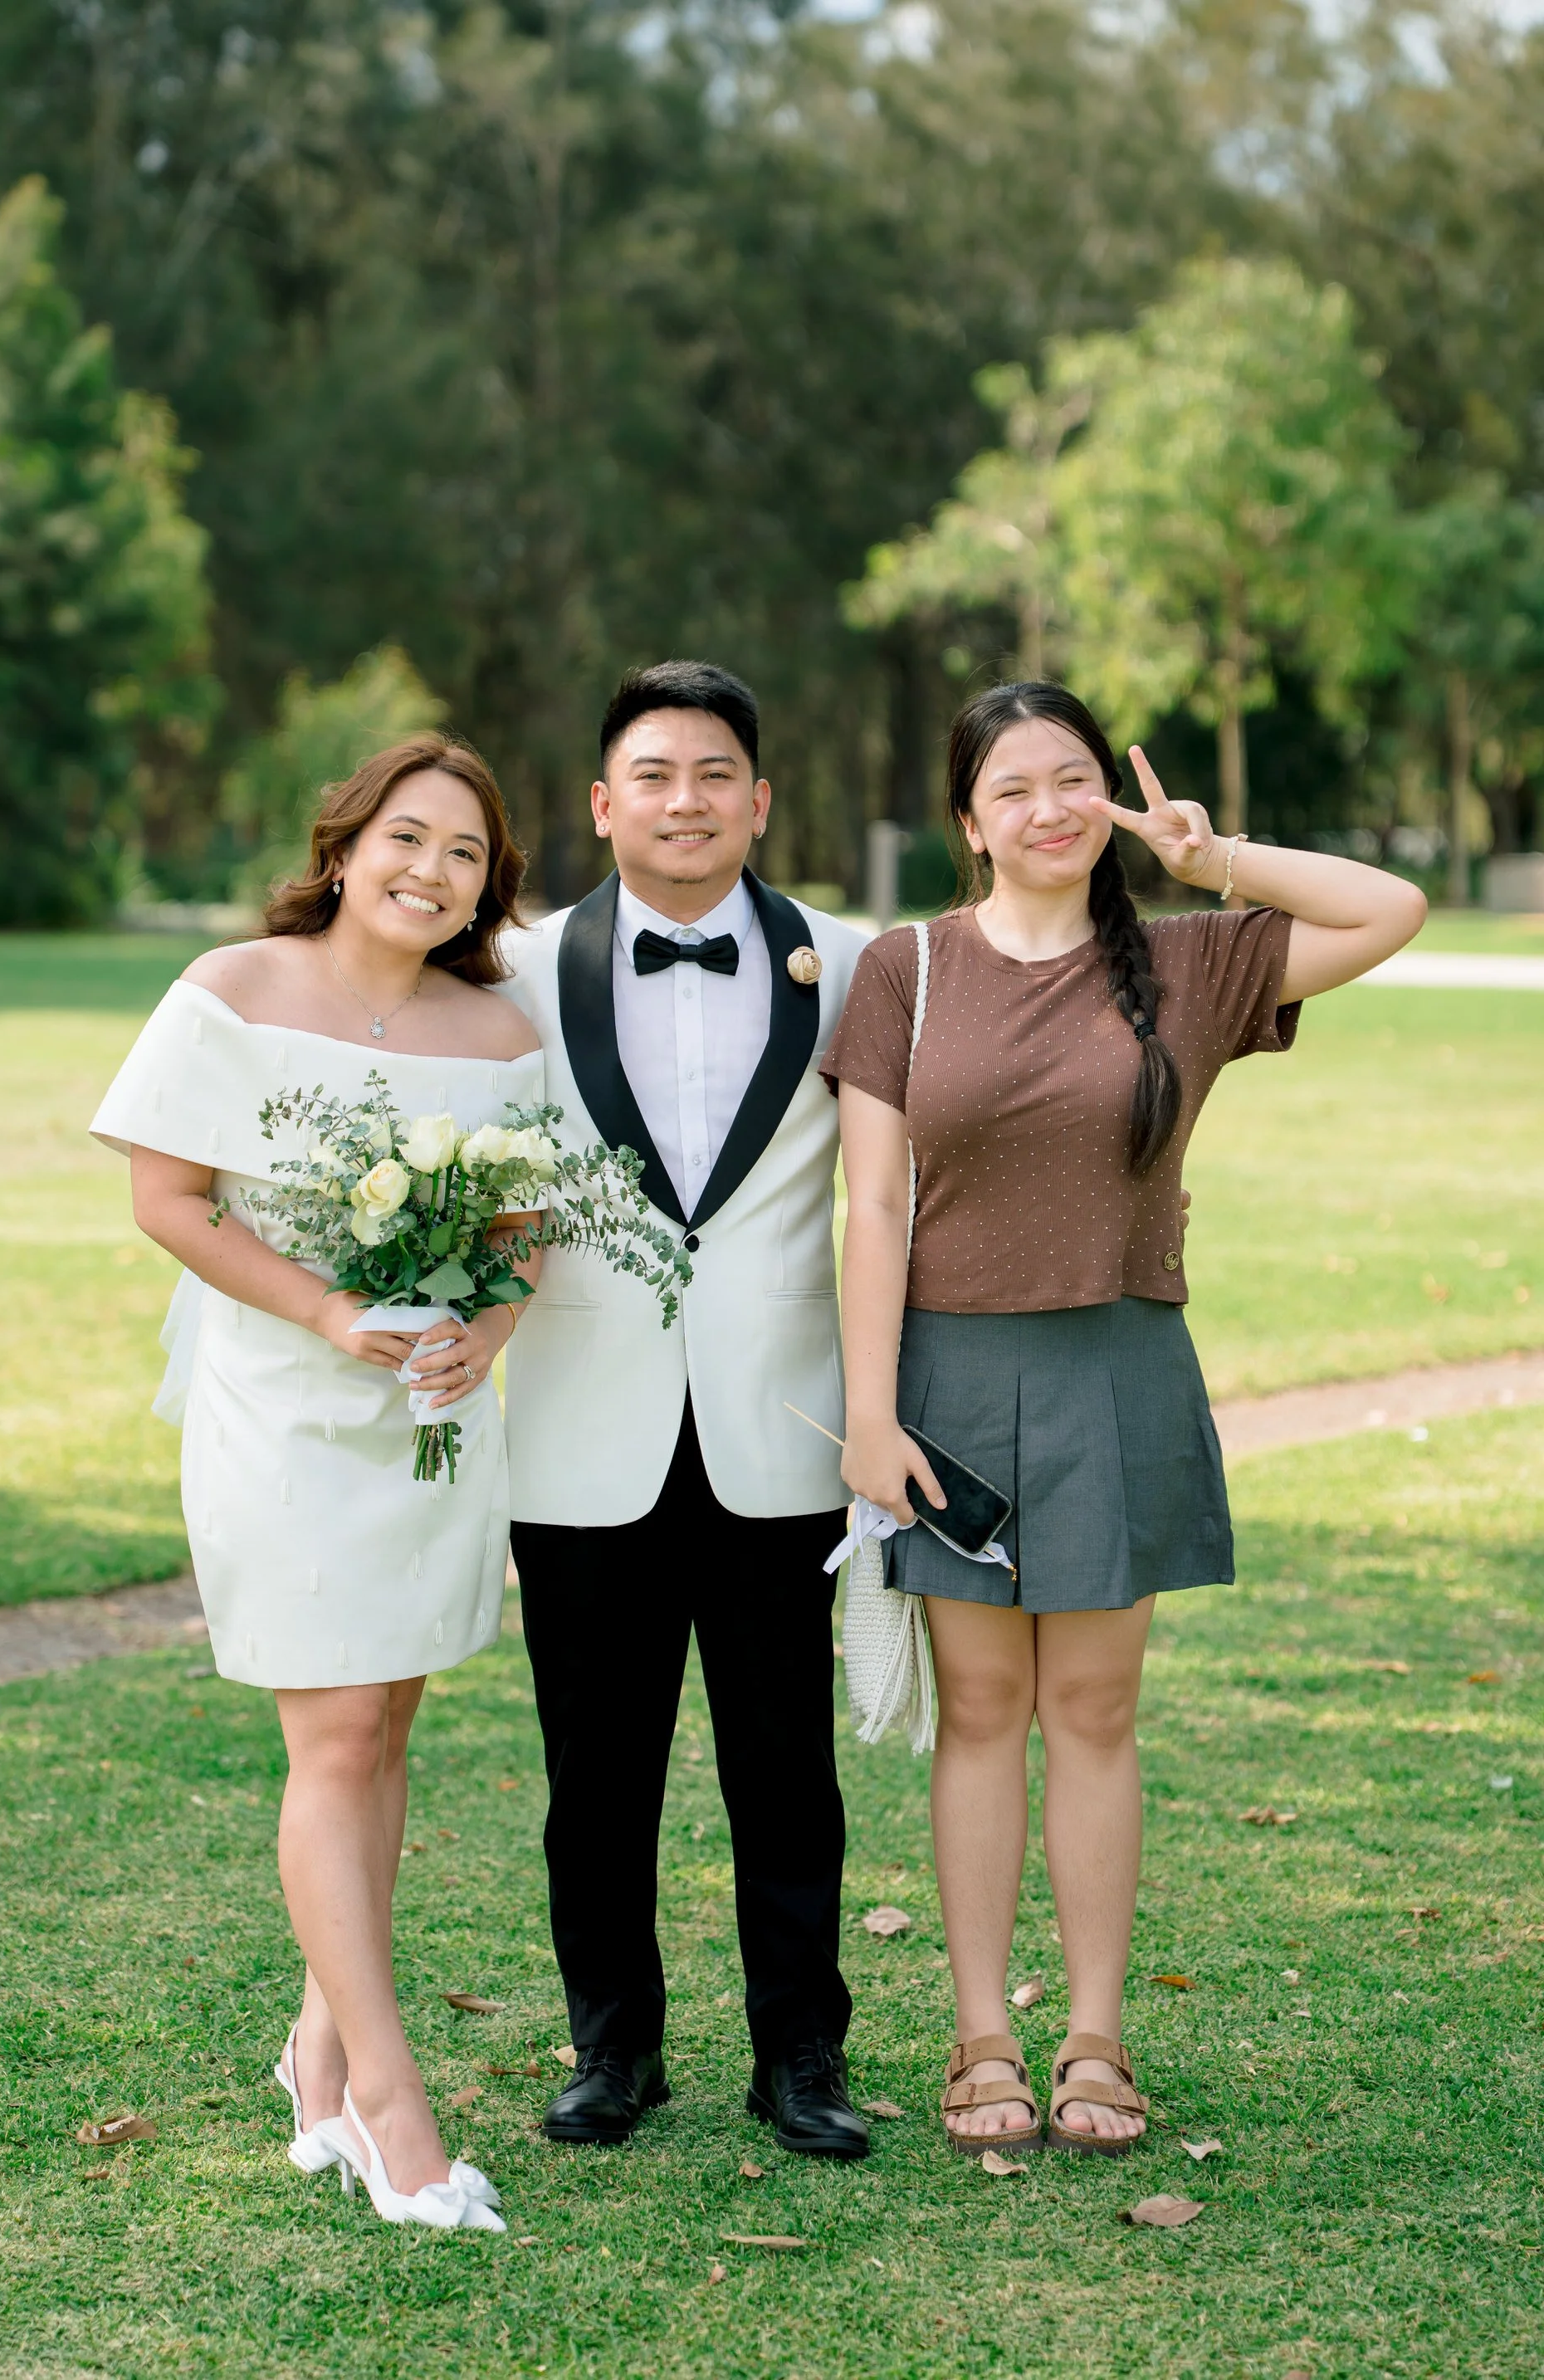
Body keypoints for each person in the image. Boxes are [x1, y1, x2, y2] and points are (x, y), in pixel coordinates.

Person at [823, 681, 1424, 2158]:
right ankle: (981, 2037)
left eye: (1074, 778)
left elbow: (1390, 906)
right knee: (981, 1711)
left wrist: (1213, 857)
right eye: (1014, 786)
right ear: (969, 821)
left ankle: (1095, 2036)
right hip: (949, 1379)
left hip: (1119, 1368)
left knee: (1094, 1711)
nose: (1050, 808)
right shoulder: (906, 969)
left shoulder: (1185, 962)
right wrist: (865, 1412)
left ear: (1108, 797)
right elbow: (872, 1203)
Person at [91, 732, 545, 2231]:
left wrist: (479, 1334)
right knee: (336, 1731)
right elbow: (169, 1198)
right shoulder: (232, 989)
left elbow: (528, 1233)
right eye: (408, 837)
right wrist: (333, 1313)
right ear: (346, 845)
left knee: (389, 1712)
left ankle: (315, 2043)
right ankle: (386, 2105)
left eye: (466, 853)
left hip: (429, 1416)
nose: (432, 870)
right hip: (282, 1405)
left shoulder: (496, 1029)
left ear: (490, 886)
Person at [497, 661, 874, 2156]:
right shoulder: (512, 972)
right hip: (584, 1428)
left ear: (761, 799)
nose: (686, 800)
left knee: (787, 1771)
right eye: (653, 774)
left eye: (716, 773)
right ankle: (614, 2047)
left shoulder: (854, 964)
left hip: (783, 1425)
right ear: (603, 802)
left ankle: (802, 2058)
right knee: (594, 1776)